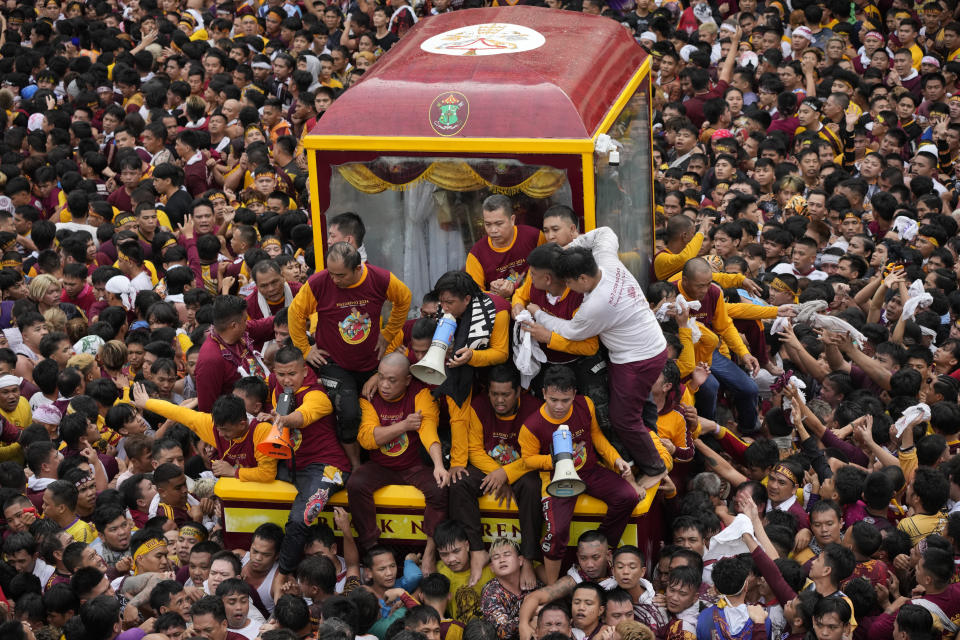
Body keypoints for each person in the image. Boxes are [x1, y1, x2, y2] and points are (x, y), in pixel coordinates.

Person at [525, 227, 668, 485]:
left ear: (581, 278)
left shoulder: (596, 305)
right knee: (634, 409)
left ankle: (655, 467)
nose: (566, 287)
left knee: (623, 418)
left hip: (637, 359)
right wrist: (568, 249)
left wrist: (539, 314)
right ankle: (646, 451)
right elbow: (605, 232)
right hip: (643, 346)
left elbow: (570, 331)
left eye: (568, 282)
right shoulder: (606, 260)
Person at [288, 241, 411, 469]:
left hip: (371, 362)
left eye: (340, 275)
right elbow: (295, 313)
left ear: (358, 268)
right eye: (331, 273)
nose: (334, 280)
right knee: (349, 411)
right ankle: (355, 465)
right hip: (334, 362)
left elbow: (404, 299)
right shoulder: (318, 282)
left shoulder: (380, 278)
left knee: (381, 407)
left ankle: (381, 463)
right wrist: (305, 349)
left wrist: (389, 332)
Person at [519, 365, 639, 583]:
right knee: (556, 533)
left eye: (565, 400)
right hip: (558, 481)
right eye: (553, 399)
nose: (559, 406)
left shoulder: (586, 404)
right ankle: (553, 585)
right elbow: (528, 460)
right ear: (544, 392)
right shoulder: (532, 425)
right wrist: (555, 460)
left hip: (590, 470)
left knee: (628, 496)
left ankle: (600, 548)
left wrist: (615, 459)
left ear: (574, 394)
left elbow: (597, 437)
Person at [348, 352, 447, 561]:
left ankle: (430, 549)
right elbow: (367, 439)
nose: (384, 385)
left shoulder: (420, 394)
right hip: (381, 466)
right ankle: (372, 547)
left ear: (407, 380)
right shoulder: (369, 396)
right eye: (381, 377)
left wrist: (438, 464)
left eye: (392, 380)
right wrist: (404, 425)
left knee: (440, 489)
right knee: (356, 484)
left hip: (414, 466)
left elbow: (428, 430)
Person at [465, 194, 543, 299]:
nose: (493, 230)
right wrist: (495, 294)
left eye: (499, 224)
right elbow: (475, 296)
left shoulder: (534, 237)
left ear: (512, 220)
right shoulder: (476, 254)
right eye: (488, 224)